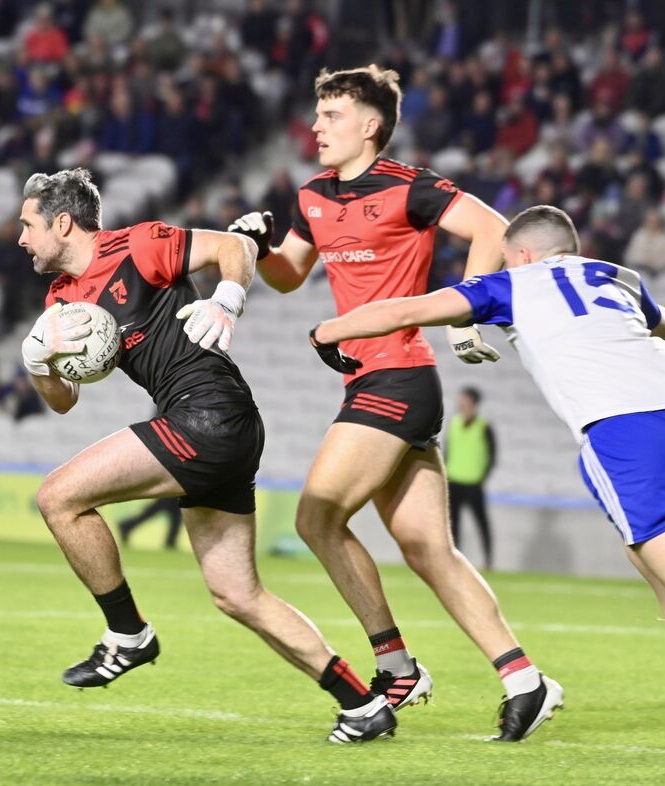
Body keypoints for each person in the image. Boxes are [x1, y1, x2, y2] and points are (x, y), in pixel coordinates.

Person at [308, 205, 665, 786]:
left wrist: (328, 332)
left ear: (520, 253)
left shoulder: (510, 283)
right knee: (647, 553)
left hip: (625, 438)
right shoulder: (616, 274)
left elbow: (403, 311)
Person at [226, 65, 562, 740]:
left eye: (331, 115)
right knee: (426, 548)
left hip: (399, 376)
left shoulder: (410, 187)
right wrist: (255, 245)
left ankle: (396, 666)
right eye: (317, 114)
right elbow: (290, 276)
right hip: (373, 381)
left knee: (317, 517)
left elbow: (493, 227)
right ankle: (525, 680)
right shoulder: (313, 196)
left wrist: (466, 311)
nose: (316, 126)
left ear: (370, 125)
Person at [17, 169, 396, 743]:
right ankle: (362, 705)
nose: (20, 238)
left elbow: (236, 246)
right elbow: (64, 403)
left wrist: (228, 298)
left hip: (208, 415)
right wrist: (40, 363)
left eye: (27, 225)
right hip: (213, 424)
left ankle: (128, 634)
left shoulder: (136, 244)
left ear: (62, 222)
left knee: (58, 497)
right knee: (237, 594)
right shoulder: (61, 301)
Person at [444, 387, 496, 567]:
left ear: (473, 401)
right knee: (453, 524)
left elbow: (492, 455)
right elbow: (447, 451)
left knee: (482, 523)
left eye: (464, 399)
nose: (460, 402)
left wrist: (482, 476)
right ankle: (455, 560)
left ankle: (488, 561)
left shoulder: (484, 426)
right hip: (454, 481)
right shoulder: (454, 422)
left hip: (474, 484)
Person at [117, 498, 183, 549]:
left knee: (175, 517)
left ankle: (126, 525)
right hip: (172, 493)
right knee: (176, 516)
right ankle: (126, 525)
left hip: (172, 493)